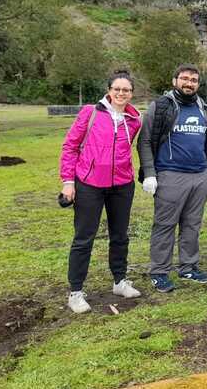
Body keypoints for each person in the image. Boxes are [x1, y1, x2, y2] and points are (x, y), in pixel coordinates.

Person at [60, 70, 142, 313]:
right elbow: (71, 145)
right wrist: (68, 181)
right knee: (84, 238)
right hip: (89, 184)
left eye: (126, 90)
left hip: (122, 185)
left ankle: (119, 281)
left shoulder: (134, 119)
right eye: (117, 89)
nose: (121, 93)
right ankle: (75, 292)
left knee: (120, 235)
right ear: (109, 90)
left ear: (131, 93)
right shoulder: (91, 113)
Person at [138, 64, 207, 292]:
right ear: (175, 80)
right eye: (184, 78)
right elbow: (145, 141)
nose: (189, 83)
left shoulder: (204, 108)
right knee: (165, 225)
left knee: (192, 225)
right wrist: (150, 173)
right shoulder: (161, 106)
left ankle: (189, 266)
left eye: (194, 80)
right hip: (170, 175)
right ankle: (159, 271)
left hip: (200, 175)